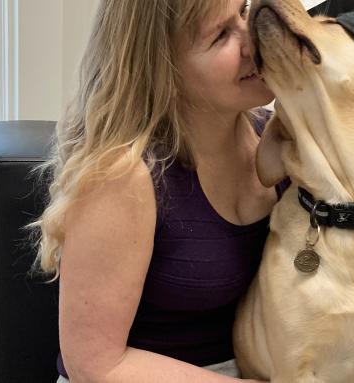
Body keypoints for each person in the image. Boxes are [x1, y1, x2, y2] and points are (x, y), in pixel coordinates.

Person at [29, 0, 279, 381]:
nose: (254, 40)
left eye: (244, 11)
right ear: (166, 69)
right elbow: (93, 364)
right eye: (221, 35)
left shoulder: (275, 136)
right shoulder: (122, 177)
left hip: (252, 363)